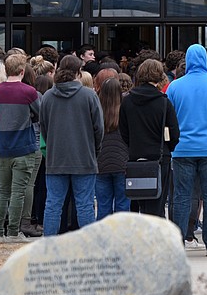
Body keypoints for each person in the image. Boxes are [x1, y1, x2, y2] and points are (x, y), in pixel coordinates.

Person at [166, 44, 207, 257]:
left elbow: (170, 119)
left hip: (182, 148)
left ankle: (178, 242)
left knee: (182, 197)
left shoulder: (175, 86)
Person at [39, 55, 104, 237]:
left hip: (56, 158)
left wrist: (52, 146)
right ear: (78, 72)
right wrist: (94, 150)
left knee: (53, 204)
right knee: (85, 204)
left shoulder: (48, 96)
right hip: (84, 156)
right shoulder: (89, 95)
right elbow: (99, 128)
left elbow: (44, 127)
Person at [0, 53, 42, 241]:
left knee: (3, 191)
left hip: (2, 148)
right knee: (18, 192)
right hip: (24, 147)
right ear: (22, 71)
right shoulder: (29, 92)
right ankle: (12, 231)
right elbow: (40, 114)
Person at [119, 58, 180, 218]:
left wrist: (133, 146)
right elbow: (174, 132)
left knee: (139, 201)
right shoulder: (163, 102)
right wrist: (169, 147)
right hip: (160, 157)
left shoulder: (127, 101)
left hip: (136, 156)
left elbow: (123, 131)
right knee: (157, 203)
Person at [94, 78, 130, 220]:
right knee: (122, 205)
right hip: (122, 162)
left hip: (101, 162)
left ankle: (103, 239)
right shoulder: (125, 110)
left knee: (103, 206)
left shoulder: (97, 110)